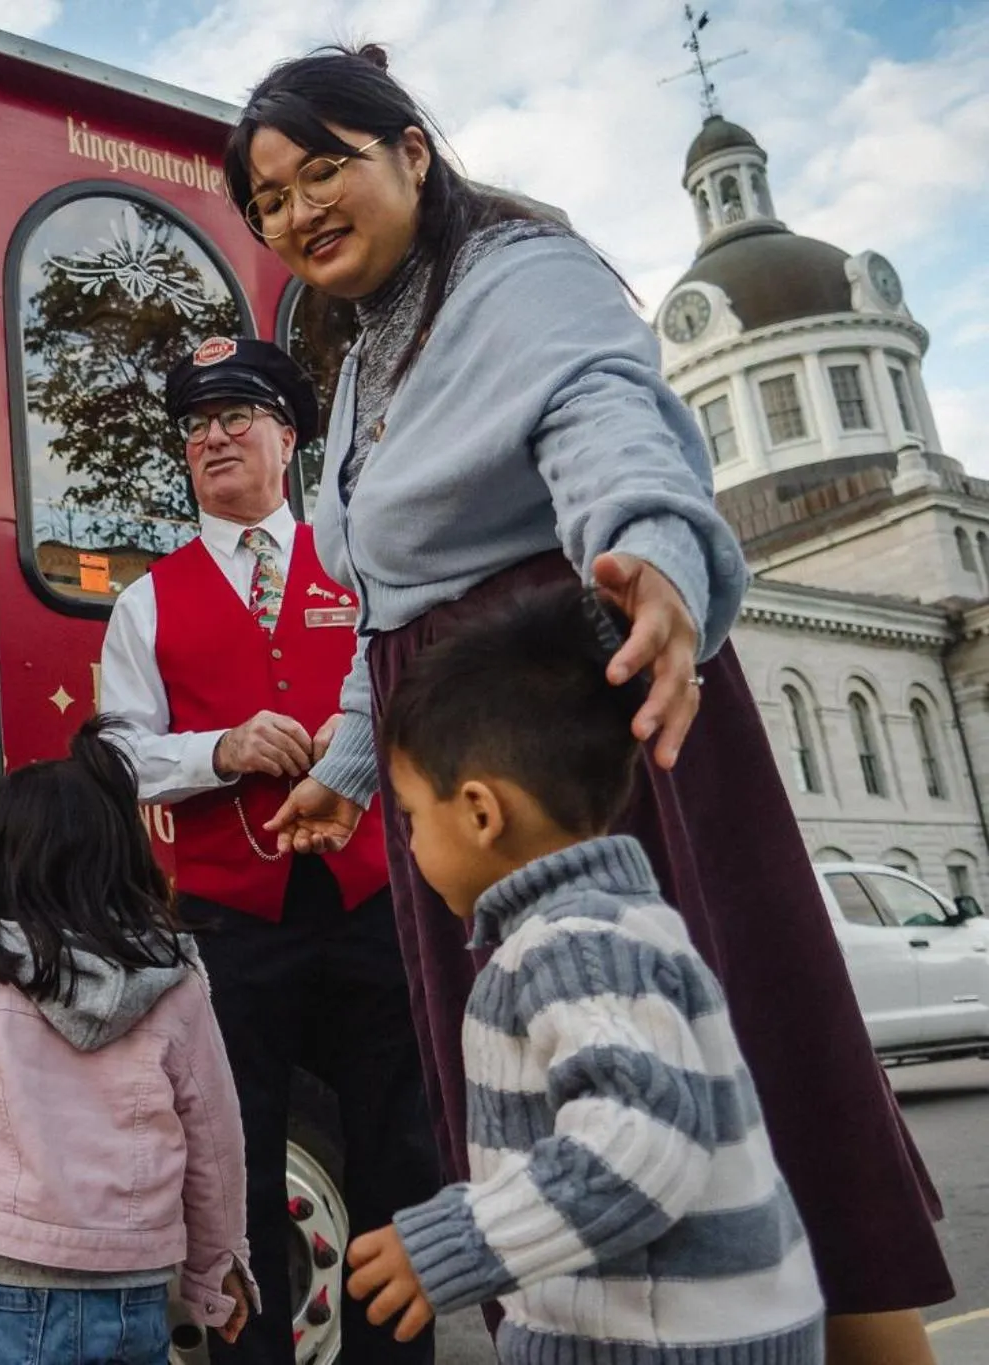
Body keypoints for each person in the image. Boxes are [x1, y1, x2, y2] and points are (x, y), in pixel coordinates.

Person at [228, 43, 951, 1361]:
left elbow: (606, 419)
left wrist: (662, 567)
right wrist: (347, 766)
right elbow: (384, 599)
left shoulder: (519, 274)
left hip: (590, 731)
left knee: (755, 1104)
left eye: (321, 166)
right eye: (267, 198)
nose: (295, 211)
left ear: (412, 152)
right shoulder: (354, 371)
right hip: (460, 759)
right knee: (545, 1102)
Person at [350, 582, 825, 1361]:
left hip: (656, 1342)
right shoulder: (619, 922)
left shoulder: (570, 946)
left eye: (409, 813)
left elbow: (634, 1145)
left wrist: (456, 1238)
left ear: (479, 811)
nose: (406, 840)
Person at [98, 336, 439, 1364]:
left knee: (398, 1152)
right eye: (196, 426)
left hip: (372, 898)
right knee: (235, 1168)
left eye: (235, 417)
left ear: (285, 438)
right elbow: (115, 753)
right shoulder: (146, 600)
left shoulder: (362, 563)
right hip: (229, 923)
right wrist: (221, 748)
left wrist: (357, 741)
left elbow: (421, 687)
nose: (211, 439)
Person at [0, 718, 256, 1365]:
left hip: (8, 1287)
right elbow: (215, 1138)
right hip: (136, 1290)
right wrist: (217, 1265)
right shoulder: (173, 980)